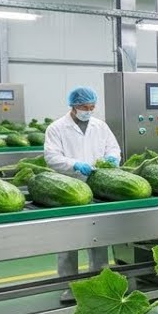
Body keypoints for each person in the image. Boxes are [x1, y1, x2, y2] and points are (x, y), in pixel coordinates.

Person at [44, 86, 121, 300]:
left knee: (98, 237)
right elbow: (51, 157)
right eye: (85, 107)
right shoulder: (57, 128)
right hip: (68, 188)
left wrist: (113, 159)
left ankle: (99, 281)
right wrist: (75, 164)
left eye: (92, 107)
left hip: (97, 186)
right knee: (68, 240)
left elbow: (113, 148)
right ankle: (70, 286)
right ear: (74, 106)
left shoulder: (100, 126)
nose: (89, 110)